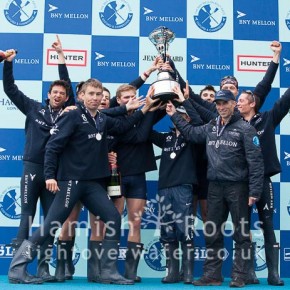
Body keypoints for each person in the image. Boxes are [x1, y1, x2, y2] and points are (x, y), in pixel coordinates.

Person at [7, 78, 156, 285]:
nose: (95, 98)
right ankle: (17, 268)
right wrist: (50, 175)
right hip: (71, 183)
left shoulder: (102, 119)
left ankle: (108, 271)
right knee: (51, 224)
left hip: (92, 184)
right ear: (81, 97)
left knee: (113, 217)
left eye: (98, 95)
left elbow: (123, 126)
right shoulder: (72, 116)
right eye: (91, 94)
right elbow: (52, 147)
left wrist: (143, 109)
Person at [167, 89, 264, 288]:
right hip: (215, 187)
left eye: (224, 103)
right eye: (218, 104)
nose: (220, 107)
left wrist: (254, 191)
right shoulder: (211, 125)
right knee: (212, 232)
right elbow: (192, 133)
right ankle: (212, 275)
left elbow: (256, 162)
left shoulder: (245, 129)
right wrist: (174, 115)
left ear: (233, 104)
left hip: (238, 187)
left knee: (242, 233)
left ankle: (240, 275)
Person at [2, 48, 74, 283]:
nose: (58, 95)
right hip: (32, 168)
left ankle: (43, 268)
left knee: (51, 221)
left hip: (54, 173)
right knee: (26, 216)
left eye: (62, 93)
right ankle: (18, 269)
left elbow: (69, 85)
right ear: (48, 93)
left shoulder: (69, 114)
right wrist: (9, 64)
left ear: (66, 97)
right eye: (55, 92)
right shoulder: (34, 108)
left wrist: (62, 59)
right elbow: (10, 89)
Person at [236, 88, 290, 286]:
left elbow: (285, 101)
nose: (237, 103)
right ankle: (249, 273)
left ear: (252, 104)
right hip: (242, 183)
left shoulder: (267, 118)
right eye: (237, 100)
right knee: (243, 227)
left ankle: (273, 274)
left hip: (264, 180)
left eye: (241, 100)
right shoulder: (234, 125)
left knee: (268, 224)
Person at [148, 94, 203, 284]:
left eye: (183, 115)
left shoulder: (193, 137)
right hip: (164, 189)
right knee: (167, 231)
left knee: (184, 229)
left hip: (184, 188)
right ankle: (172, 271)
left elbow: (199, 121)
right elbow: (145, 130)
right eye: (178, 114)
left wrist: (176, 114)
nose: (180, 117)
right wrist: (156, 107)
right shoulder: (167, 138)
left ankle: (187, 273)